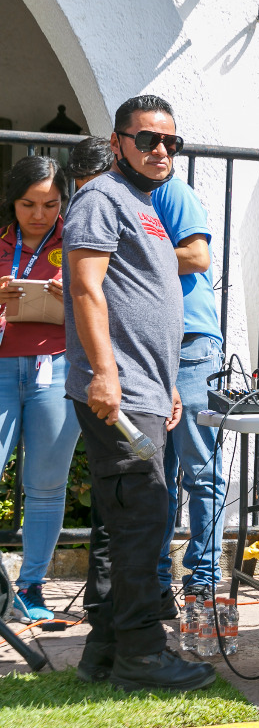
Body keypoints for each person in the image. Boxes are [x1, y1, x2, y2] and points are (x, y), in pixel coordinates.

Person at [63, 95, 215, 691]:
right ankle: (143, 657)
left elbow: (149, 301)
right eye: (147, 139)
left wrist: (170, 383)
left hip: (150, 387)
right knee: (142, 516)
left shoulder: (145, 205)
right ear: (118, 140)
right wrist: (105, 373)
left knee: (136, 517)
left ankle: (103, 655)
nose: (160, 151)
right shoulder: (101, 197)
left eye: (170, 143)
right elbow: (85, 288)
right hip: (118, 389)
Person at [0, 156, 80, 623]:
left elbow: (106, 299)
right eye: (28, 203)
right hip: (3, 365)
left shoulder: (77, 239)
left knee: (47, 486)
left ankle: (31, 588)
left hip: (57, 364)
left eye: (51, 204)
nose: (38, 215)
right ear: (12, 200)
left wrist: (68, 294)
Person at [151, 174, 226, 614]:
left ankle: (203, 586)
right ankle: (158, 586)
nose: (160, 151)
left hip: (190, 344)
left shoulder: (170, 191)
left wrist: (128, 257)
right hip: (147, 344)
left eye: (167, 142)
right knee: (155, 475)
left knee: (200, 472)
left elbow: (197, 256)